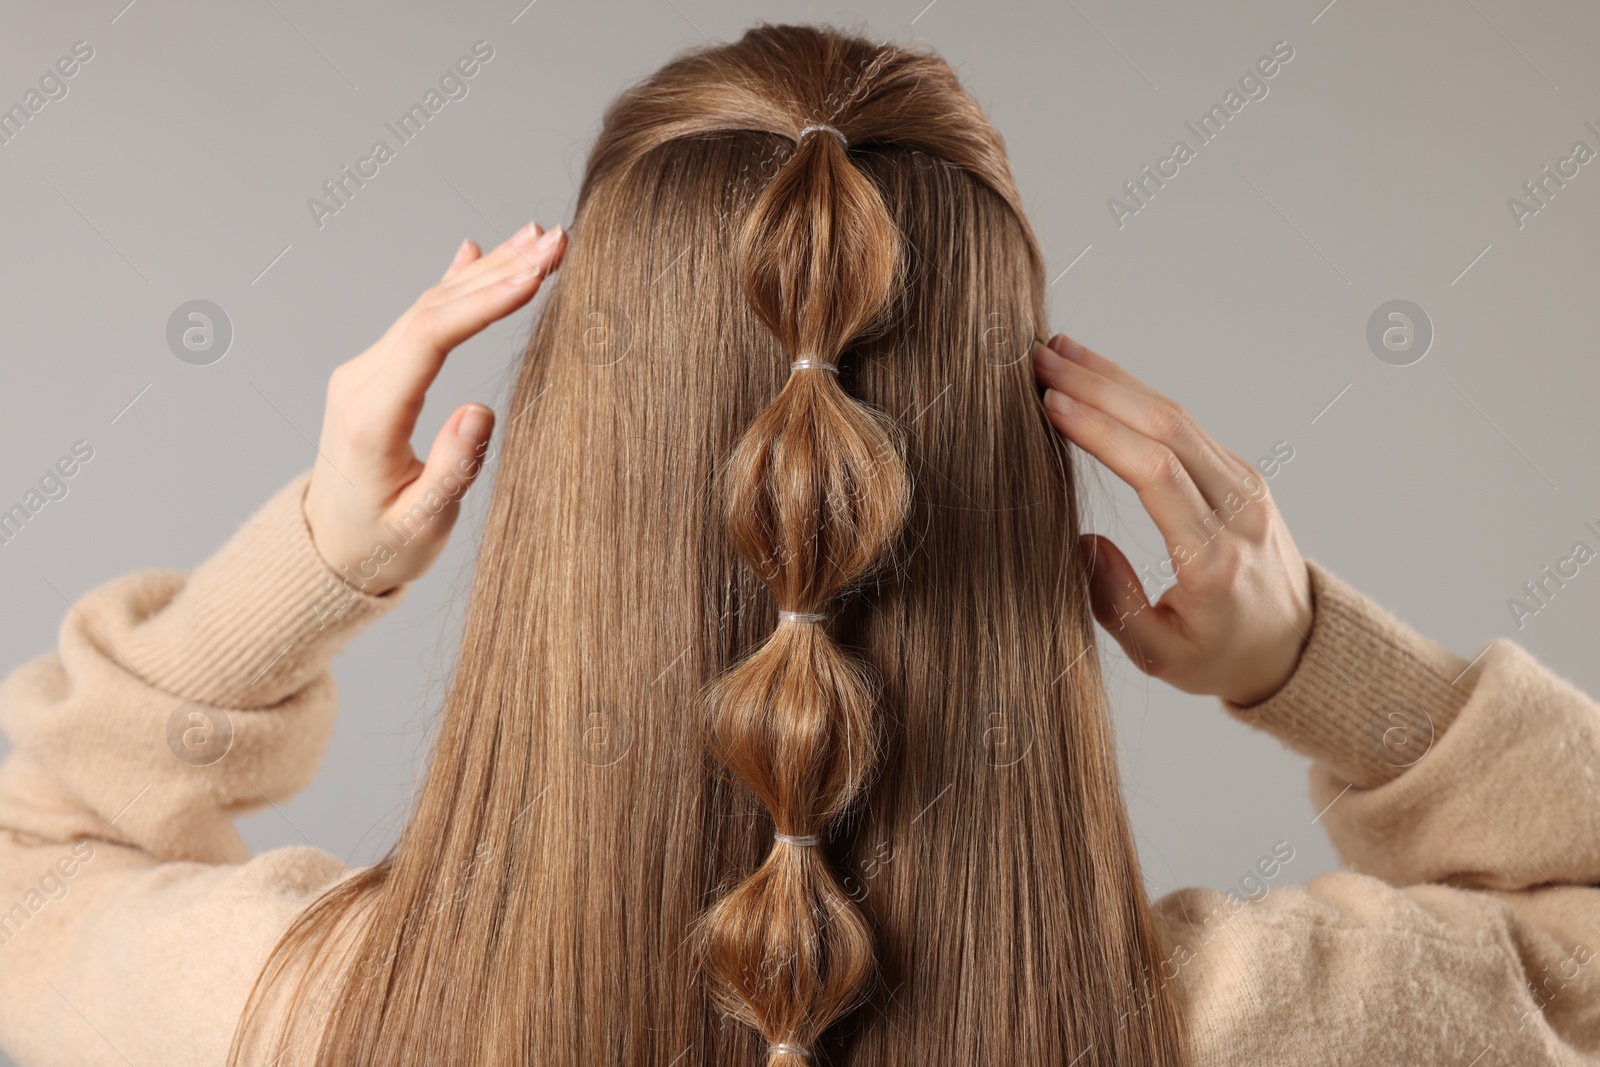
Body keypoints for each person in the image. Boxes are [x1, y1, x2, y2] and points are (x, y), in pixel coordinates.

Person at [2, 22, 1598, 1067]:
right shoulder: (1260, 1035)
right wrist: (1313, 656)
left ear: (564, 457)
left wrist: (319, 554)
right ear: (1020, 471)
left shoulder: (297, 1015)